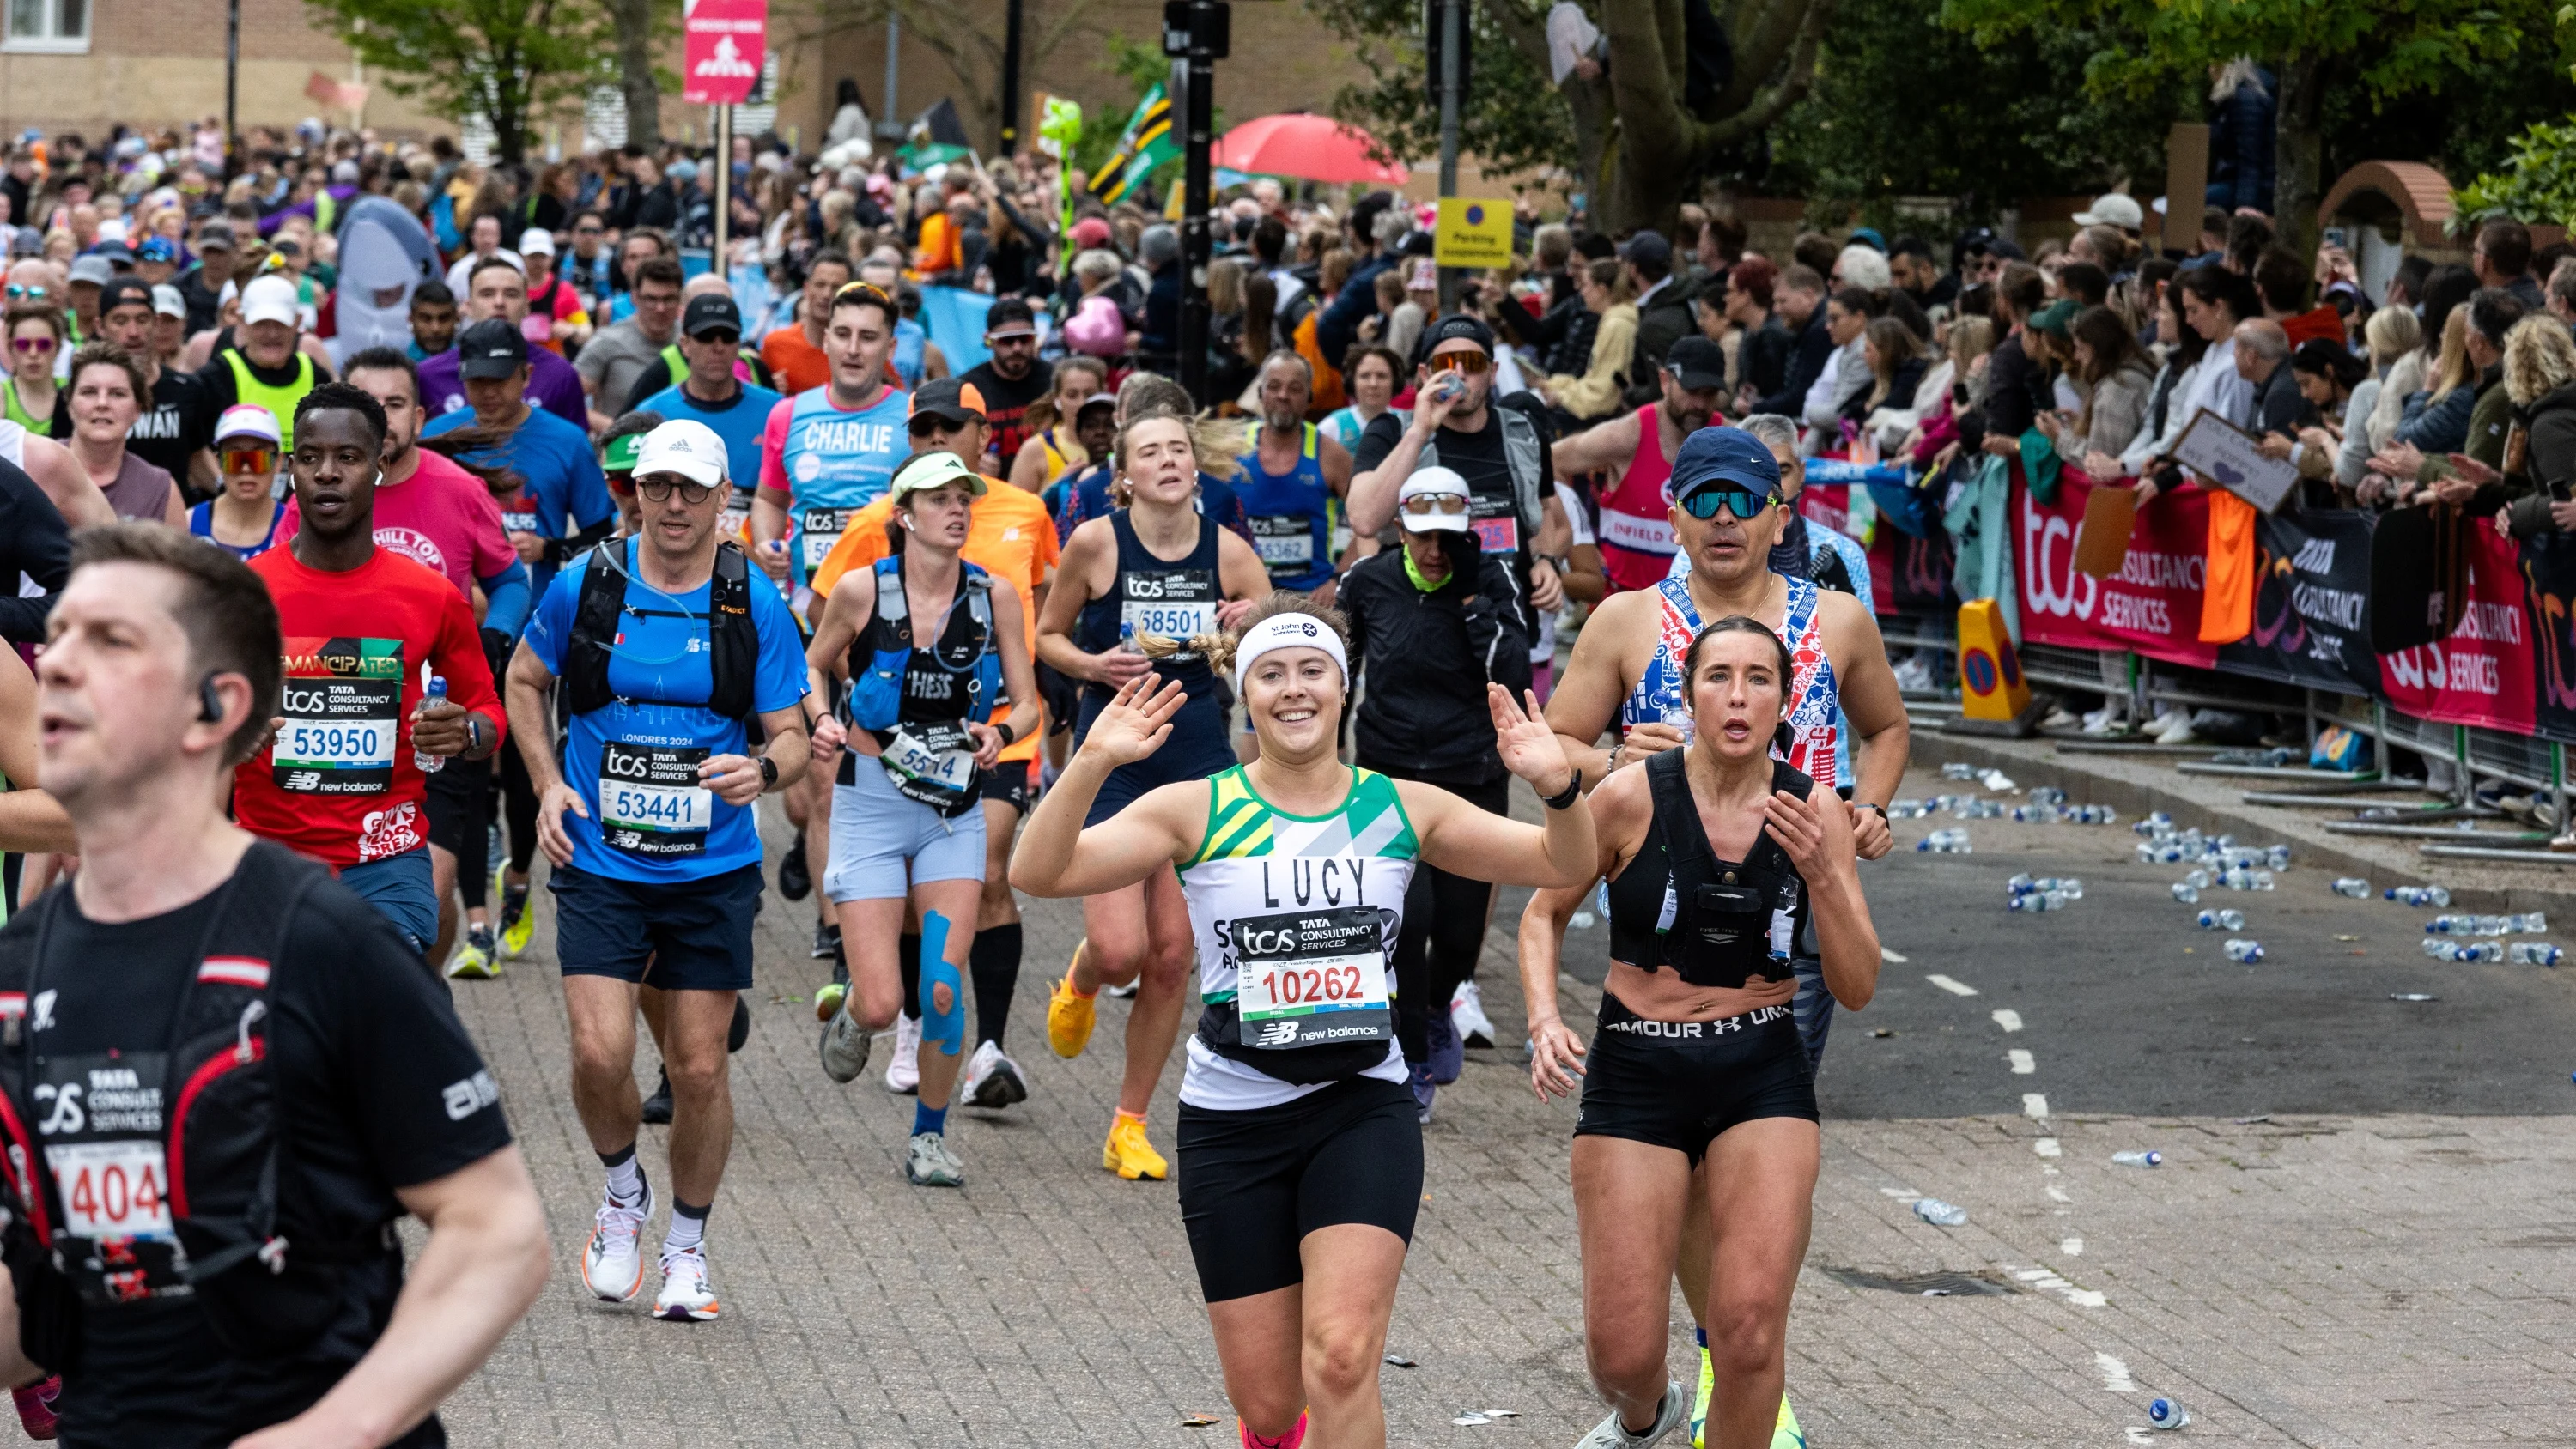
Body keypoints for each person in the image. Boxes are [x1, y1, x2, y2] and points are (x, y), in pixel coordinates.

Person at [0, 520, 546, 1446]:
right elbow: (54, 1277)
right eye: (61, 638)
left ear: (215, 710)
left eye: (113, 641)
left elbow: (498, 1229)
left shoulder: (324, 941)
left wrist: (332, 1431)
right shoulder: (24, 967)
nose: (57, 665)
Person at [1009, 599, 1595, 1449]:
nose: (1293, 690)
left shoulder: (1399, 807)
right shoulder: (1197, 806)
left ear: (1343, 686)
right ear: (1245, 694)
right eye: (1271, 673)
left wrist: (1556, 785)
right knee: (1272, 1404)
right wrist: (1092, 761)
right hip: (1232, 1121)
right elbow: (1039, 868)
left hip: (1361, 1107)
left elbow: (1565, 860)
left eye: (1312, 669)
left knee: (1345, 1357)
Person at [1521, 615, 1878, 1449]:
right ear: (1687, 693)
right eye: (1719, 675)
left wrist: (1825, 873)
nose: (1739, 694)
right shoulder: (1628, 796)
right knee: (1621, 1351)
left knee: (1750, 1330)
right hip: (1638, 1072)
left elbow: (1857, 985)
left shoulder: (1813, 808)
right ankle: (1646, 1416)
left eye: (1760, 677)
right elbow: (1543, 915)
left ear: (1785, 699)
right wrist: (1542, 1017)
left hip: (1761, 1070)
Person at [507, 417, 811, 1321]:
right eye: (658, 486)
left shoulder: (749, 599)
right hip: (601, 859)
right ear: (634, 490)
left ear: (726, 502)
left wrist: (760, 770)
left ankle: (687, 1244)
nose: (673, 503)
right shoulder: (586, 582)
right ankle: (620, 1193)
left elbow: (793, 736)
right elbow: (525, 679)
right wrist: (548, 784)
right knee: (601, 1050)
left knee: (699, 1067)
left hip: (711, 869)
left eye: (693, 489)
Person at [807, 382, 1060, 1109]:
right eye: (942, 497)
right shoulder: (864, 569)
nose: (958, 508)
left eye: (964, 498)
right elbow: (817, 653)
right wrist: (821, 717)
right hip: (876, 786)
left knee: (964, 937)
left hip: (966, 782)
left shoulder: (1008, 561)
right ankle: (873, 1013)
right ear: (906, 513)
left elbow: (1028, 695)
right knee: (892, 980)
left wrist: (1002, 730)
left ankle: (948, 1108)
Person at [1033, 411, 1271, 1179]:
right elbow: (1048, 635)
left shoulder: (1229, 552)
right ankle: (1082, 977)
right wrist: (1092, 668)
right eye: (1150, 452)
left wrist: (1248, 627)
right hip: (1117, 757)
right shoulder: (1097, 543)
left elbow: (1271, 651)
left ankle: (1127, 1125)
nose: (1167, 461)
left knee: (1172, 958)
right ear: (1126, 475)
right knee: (1122, 948)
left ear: (1195, 469)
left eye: (1178, 449)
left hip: (1196, 757)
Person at [234, 380, 508, 955]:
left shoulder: (429, 596)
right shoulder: (244, 594)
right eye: (310, 458)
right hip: (265, 857)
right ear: (291, 470)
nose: (327, 472)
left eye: (348, 457)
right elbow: (190, 712)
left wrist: (465, 732)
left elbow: (487, 715)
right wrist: (231, 733)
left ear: (379, 466)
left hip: (386, 863)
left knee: (369, 1015)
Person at [1339, 466, 1535, 1119]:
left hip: (1470, 775)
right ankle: (1412, 1051)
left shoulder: (1489, 579)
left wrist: (1483, 617)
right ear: (1400, 528)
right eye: (1423, 536)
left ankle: (1436, 1006)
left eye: (1448, 536)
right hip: (1389, 773)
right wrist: (1329, 758)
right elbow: (1340, 670)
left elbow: (1512, 671)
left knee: (1457, 933)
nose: (1435, 550)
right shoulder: (1368, 581)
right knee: (1409, 919)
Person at [1346, 314, 1565, 631]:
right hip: (1419, 626)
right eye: (1447, 363)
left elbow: (1543, 510)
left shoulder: (1523, 431)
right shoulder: (1391, 431)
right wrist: (1420, 431)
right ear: (1425, 373)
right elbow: (1363, 520)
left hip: (1503, 624)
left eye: (1473, 363)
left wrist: (1546, 560)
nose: (1460, 374)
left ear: (1493, 373)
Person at [423, 319, 614, 597]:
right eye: (477, 381)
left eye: (499, 380)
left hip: (537, 617)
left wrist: (546, 549)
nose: (488, 392)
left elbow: (601, 536)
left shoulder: (568, 441)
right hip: (454, 612)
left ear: (526, 375)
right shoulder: (437, 436)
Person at [752, 280, 912, 605]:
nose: (853, 349)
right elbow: (770, 499)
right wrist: (766, 545)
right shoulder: (787, 414)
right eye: (842, 334)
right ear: (826, 341)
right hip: (803, 601)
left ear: (891, 348)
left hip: (888, 602)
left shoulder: (913, 416)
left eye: (867, 337)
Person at [1551, 336, 1730, 593]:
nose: (1700, 405)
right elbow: (1551, 460)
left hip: (1698, 610)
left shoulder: (1729, 441)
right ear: (1665, 381)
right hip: (1624, 604)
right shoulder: (1626, 437)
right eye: (1692, 392)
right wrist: (1577, 541)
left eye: (1709, 394)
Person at [628, 294, 784, 491]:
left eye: (728, 337)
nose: (718, 347)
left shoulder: (776, 411)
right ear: (685, 345)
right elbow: (629, 497)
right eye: (706, 337)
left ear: (738, 344)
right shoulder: (651, 414)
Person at [1235, 350, 1353, 604]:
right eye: (1274, 386)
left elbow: (1369, 525)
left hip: (1310, 599)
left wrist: (1337, 579)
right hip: (1248, 598)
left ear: (1309, 397)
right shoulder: (1232, 449)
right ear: (1260, 394)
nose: (1283, 396)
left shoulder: (1330, 453)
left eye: (1295, 388)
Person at [416, 258, 589, 430]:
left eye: (511, 294)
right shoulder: (427, 376)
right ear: (468, 306)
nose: (499, 302)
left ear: (527, 306)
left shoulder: (560, 374)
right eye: (487, 294)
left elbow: (575, 447)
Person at [90, 276, 215, 494]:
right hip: (106, 521)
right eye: (120, 321)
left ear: (156, 323)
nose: (133, 333)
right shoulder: (83, 396)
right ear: (100, 326)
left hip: (171, 519)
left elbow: (197, 458)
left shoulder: (187, 389)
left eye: (142, 320)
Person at [193, 274, 328, 449]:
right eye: (261, 324)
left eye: (281, 323)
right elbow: (198, 449)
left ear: (297, 322)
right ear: (242, 322)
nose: (272, 334)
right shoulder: (215, 378)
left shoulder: (317, 377)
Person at [62, 342, 186, 525]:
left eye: (117, 394)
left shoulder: (160, 488)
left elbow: (179, 555)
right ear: (70, 405)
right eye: (89, 392)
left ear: (137, 410)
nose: (102, 403)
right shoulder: (34, 468)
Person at [578, 256, 685, 433]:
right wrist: (615, 429)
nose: (660, 308)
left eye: (669, 299)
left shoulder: (692, 342)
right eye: (651, 299)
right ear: (635, 298)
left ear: (680, 299)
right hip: (622, 451)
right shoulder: (608, 341)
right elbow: (566, 398)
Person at [958, 296, 1053, 470]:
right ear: (989, 340)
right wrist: (972, 462)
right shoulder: (967, 388)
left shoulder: (1053, 380)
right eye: (1007, 340)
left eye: (1024, 339)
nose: (1016, 348)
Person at [188, 403, 288, 558]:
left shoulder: (299, 528)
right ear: (218, 462)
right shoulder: (186, 524)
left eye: (258, 459)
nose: (246, 469)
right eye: (234, 459)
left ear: (279, 462)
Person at [1005, 355, 1109, 495]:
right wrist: (1057, 486)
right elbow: (1015, 512)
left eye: (1089, 394)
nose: (1081, 403)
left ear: (1103, 394)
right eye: (1072, 395)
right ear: (1057, 399)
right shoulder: (1036, 449)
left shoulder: (1120, 443)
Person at [758, 248, 853, 396]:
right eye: (820, 285)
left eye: (836, 287)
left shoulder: (861, 351)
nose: (827, 294)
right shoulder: (775, 344)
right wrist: (771, 390)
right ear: (807, 289)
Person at [3, 306, 62, 434]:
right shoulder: (2, 395)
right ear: (10, 348)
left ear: (57, 347)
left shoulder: (73, 390)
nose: (33, 353)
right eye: (23, 344)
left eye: (43, 344)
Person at [406, 279, 460, 361]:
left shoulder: (470, 365)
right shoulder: (397, 367)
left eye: (444, 319)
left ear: (457, 319)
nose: (436, 329)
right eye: (426, 319)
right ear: (411, 320)